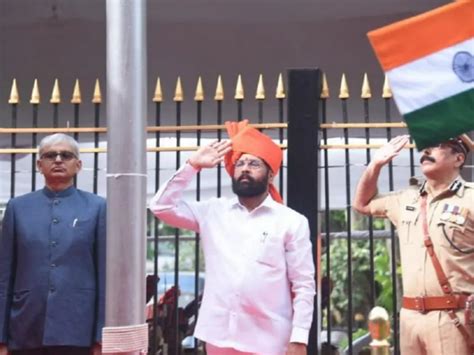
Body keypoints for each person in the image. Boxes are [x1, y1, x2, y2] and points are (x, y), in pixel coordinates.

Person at [149, 120, 315, 355]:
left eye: (254, 163)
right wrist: (192, 166)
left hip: (269, 340)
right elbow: (160, 207)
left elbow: (304, 284)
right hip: (219, 337)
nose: (245, 168)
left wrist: (299, 338)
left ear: (270, 175)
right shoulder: (213, 212)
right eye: (240, 163)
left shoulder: (291, 221)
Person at [353, 135, 474, 354]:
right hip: (410, 317)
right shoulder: (407, 199)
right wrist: (376, 165)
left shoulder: (471, 199)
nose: (426, 151)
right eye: (425, 147)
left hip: (453, 316)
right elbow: (362, 204)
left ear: (458, 158)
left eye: (436, 145)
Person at [0, 134, 106, 355]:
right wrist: (1, 338)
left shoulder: (97, 208)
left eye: (66, 155)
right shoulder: (18, 208)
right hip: (25, 327)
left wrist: (100, 336)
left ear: (78, 165)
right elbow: (4, 275)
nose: (58, 160)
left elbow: (105, 275)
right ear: (39, 165)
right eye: (50, 155)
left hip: (78, 329)